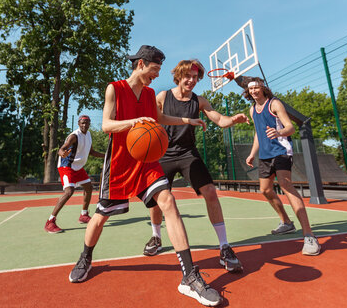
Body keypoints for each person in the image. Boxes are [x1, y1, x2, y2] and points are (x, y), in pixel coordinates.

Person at [68, 45, 222, 307]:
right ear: (141, 64)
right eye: (155, 69)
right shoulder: (114, 88)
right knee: (101, 215)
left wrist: (187, 121)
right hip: (119, 162)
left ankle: (189, 277)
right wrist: (134, 122)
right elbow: (106, 124)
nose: (156, 75)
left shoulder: (150, 93)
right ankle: (85, 257)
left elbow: (159, 117)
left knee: (168, 202)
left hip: (147, 161)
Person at [142, 59, 248, 273]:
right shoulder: (163, 96)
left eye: (195, 77)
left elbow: (219, 119)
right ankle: (156, 236)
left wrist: (232, 120)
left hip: (188, 153)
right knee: (157, 201)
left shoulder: (199, 101)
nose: (191, 80)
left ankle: (224, 247)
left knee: (210, 192)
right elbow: (152, 118)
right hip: (162, 153)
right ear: (179, 75)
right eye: (188, 76)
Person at [242, 77, 321, 256]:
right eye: (251, 88)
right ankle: (286, 222)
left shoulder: (274, 104)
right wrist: (252, 153)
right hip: (265, 155)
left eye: (257, 87)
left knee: (286, 185)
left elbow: (290, 128)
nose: (254, 91)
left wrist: (279, 132)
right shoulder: (252, 109)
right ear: (248, 92)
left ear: (263, 88)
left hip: (281, 151)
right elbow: (258, 133)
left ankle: (309, 235)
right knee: (265, 190)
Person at [44, 115, 105, 233]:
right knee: (69, 191)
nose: (84, 125)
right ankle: (50, 222)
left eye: (86, 123)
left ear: (89, 124)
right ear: (78, 123)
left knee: (88, 186)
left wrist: (106, 155)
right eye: (82, 123)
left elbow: (91, 152)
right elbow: (61, 149)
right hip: (66, 166)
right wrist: (62, 153)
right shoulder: (74, 136)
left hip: (78, 167)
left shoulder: (88, 135)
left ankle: (84, 215)